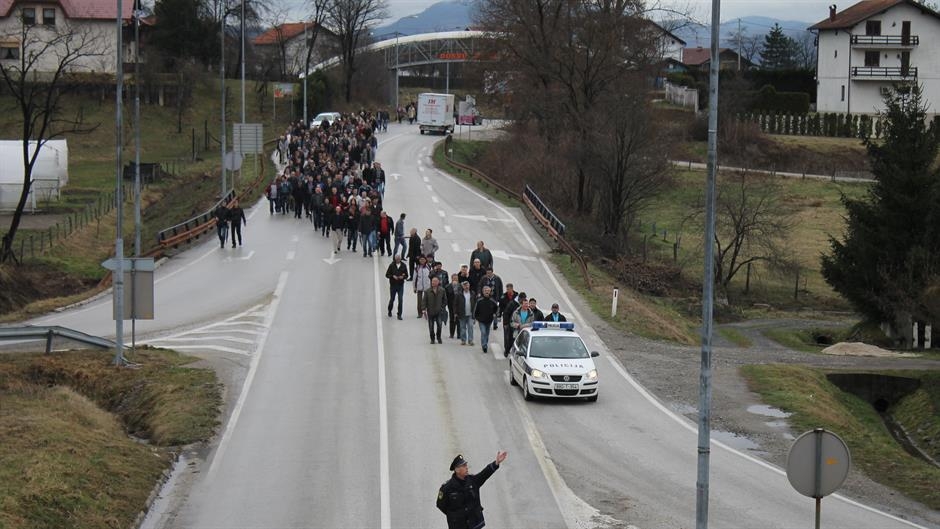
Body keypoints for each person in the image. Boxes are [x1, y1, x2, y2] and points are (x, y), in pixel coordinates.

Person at [436, 452, 508, 529]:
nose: (467, 468)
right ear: (457, 470)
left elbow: (484, 474)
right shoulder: (447, 488)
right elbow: (441, 505)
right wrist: (454, 516)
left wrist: (496, 463)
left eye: (466, 465)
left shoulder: (473, 481)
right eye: (464, 466)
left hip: (474, 524)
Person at [473, 286, 499, 353]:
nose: (487, 292)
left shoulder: (492, 301)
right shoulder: (479, 301)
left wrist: (495, 314)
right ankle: (484, 345)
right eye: (485, 291)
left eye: (488, 291)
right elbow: (476, 310)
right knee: (483, 332)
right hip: (481, 320)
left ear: (490, 292)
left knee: (487, 333)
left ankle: (485, 343)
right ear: (483, 292)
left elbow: (496, 308)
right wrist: (475, 318)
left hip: (489, 320)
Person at [423, 276, 447, 344]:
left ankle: (439, 337)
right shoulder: (427, 291)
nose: (434, 282)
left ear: (438, 282)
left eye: (435, 281)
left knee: (439, 325)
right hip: (430, 311)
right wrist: (423, 309)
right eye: (433, 281)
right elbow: (424, 301)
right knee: (431, 327)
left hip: (439, 311)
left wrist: (442, 307)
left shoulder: (442, 290)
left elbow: (445, 300)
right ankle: (432, 339)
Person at [385, 255, 408, 320]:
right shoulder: (391, 265)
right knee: (392, 299)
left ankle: (399, 314)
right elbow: (387, 274)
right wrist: (392, 276)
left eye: (399, 259)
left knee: (400, 299)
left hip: (400, 285)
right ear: (395, 259)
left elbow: (406, 275)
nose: (398, 260)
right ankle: (389, 310)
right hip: (393, 285)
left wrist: (403, 277)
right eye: (397, 259)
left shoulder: (403, 265)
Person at [499, 285, 519, 356]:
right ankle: (506, 349)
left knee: (515, 336)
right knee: (507, 336)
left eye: (509, 289)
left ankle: (513, 349)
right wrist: (499, 315)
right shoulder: (503, 296)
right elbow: (501, 306)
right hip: (507, 319)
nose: (508, 291)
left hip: (515, 320)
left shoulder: (517, 296)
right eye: (507, 289)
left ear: (512, 289)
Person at [455, 281, 476, 346]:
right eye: (465, 285)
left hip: (470, 314)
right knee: (462, 328)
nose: (466, 287)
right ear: (463, 287)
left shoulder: (472, 293)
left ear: (469, 286)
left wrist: (475, 313)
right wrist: (455, 312)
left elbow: (475, 303)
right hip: (462, 314)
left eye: (467, 285)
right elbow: (455, 304)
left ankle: (470, 340)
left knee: (470, 327)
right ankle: (463, 340)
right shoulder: (459, 294)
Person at [446, 274, 461, 339]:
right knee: (452, 319)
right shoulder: (447, 287)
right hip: (451, 305)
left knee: (459, 320)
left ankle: (459, 334)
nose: (455, 279)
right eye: (454, 278)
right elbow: (446, 297)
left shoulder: (461, 286)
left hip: (459, 305)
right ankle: (451, 334)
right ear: (452, 279)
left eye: (456, 278)